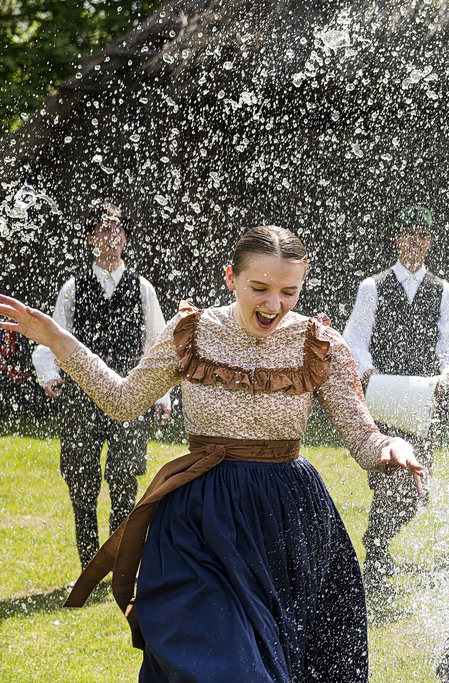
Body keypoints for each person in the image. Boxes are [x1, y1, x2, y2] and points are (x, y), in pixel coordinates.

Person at [1, 225, 423, 681]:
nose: (274, 305)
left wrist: (389, 445)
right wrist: (60, 342)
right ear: (230, 278)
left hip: (283, 521)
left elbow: (362, 438)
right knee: (219, 664)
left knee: (280, 663)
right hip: (200, 519)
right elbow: (123, 401)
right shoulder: (192, 332)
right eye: (259, 288)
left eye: (289, 292)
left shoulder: (320, 345)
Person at [30, 202, 171, 569]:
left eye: (119, 230)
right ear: (91, 238)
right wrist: (50, 374)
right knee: (81, 479)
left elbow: (157, 346)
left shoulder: (143, 289)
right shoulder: (73, 287)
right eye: (104, 230)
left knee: (125, 478)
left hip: (130, 390)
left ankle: (120, 561)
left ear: (126, 237)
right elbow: (51, 338)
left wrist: (162, 394)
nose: (113, 237)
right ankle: (88, 562)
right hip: (80, 394)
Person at [343, 205, 449, 591]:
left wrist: (447, 375)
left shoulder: (443, 290)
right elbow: (355, 340)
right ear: (397, 238)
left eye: (423, 236)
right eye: (409, 234)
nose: (416, 242)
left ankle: (377, 545)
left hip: (420, 398)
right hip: (382, 394)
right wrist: (367, 370)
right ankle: (377, 557)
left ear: (430, 242)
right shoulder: (372, 286)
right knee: (388, 476)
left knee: (418, 489)